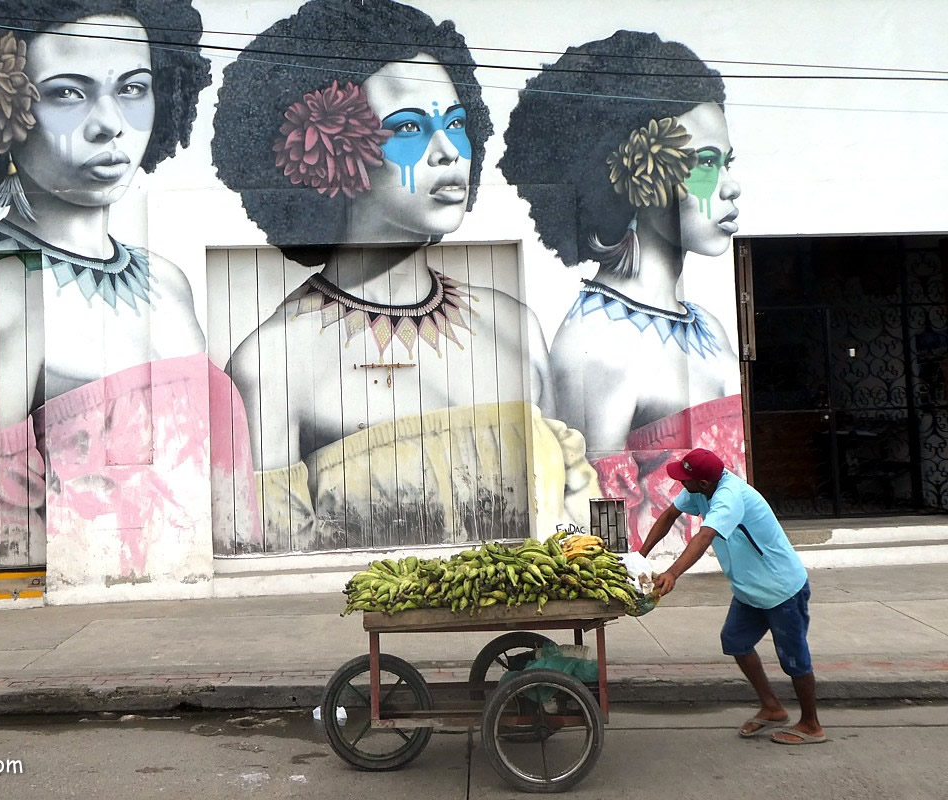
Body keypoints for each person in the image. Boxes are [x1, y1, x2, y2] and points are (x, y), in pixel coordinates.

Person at [0, 0, 261, 567]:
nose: (109, 123)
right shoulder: (1, 283)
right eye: (67, 92)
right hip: (83, 579)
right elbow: (3, 498)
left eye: (133, 87)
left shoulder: (168, 280)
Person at [211, 0, 598, 553]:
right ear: (334, 152)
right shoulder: (271, 363)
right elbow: (268, 554)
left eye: (457, 124)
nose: (448, 153)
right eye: (411, 127)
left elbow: (569, 504)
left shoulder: (514, 325)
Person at [499, 30, 744, 550]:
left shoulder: (708, 325)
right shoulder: (595, 343)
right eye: (704, 163)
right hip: (663, 579)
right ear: (641, 176)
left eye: (727, 162)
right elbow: (595, 502)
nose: (729, 185)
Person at [640, 448, 826, 745]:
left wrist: (673, 572)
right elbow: (669, 515)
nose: (680, 482)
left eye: (685, 478)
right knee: (735, 641)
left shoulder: (729, 497)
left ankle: (811, 723)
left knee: (793, 659)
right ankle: (772, 707)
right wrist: (640, 557)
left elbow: (704, 536)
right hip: (749, 589)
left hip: (781, 590)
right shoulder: (701, 490)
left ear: (702, 483)